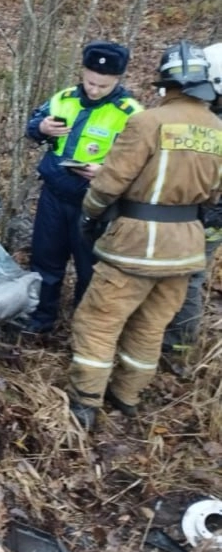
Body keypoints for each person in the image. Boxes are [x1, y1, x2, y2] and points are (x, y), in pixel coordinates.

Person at [68, 41, 222, 430]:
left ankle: (85, 402)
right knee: (150, 326)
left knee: (98, 322)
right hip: (186, 247)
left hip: (137, 244)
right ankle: (127, 397)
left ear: (166, 85)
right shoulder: (218, 130)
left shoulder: (147, 122)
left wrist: (89, 216)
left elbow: (108, 184)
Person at [15, 41, 141, 334]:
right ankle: (39, 319)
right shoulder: (65, 98)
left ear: (118, 80)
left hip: (96, 202)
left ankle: (84, 328)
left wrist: (106, 172)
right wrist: (42, 128)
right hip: (54, 194)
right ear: (82, 72)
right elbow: (33, 124)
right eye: (90, 82)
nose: (94, 89)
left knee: (90, 268)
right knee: (45, 260)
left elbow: (141, 163)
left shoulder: (131, 113)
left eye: (103, 85)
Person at [160, 41, 222, 369]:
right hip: (203, 213)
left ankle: (177, 347)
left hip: (207, 216)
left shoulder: (215, 124)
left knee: (189, 277)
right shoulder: (211, 118)